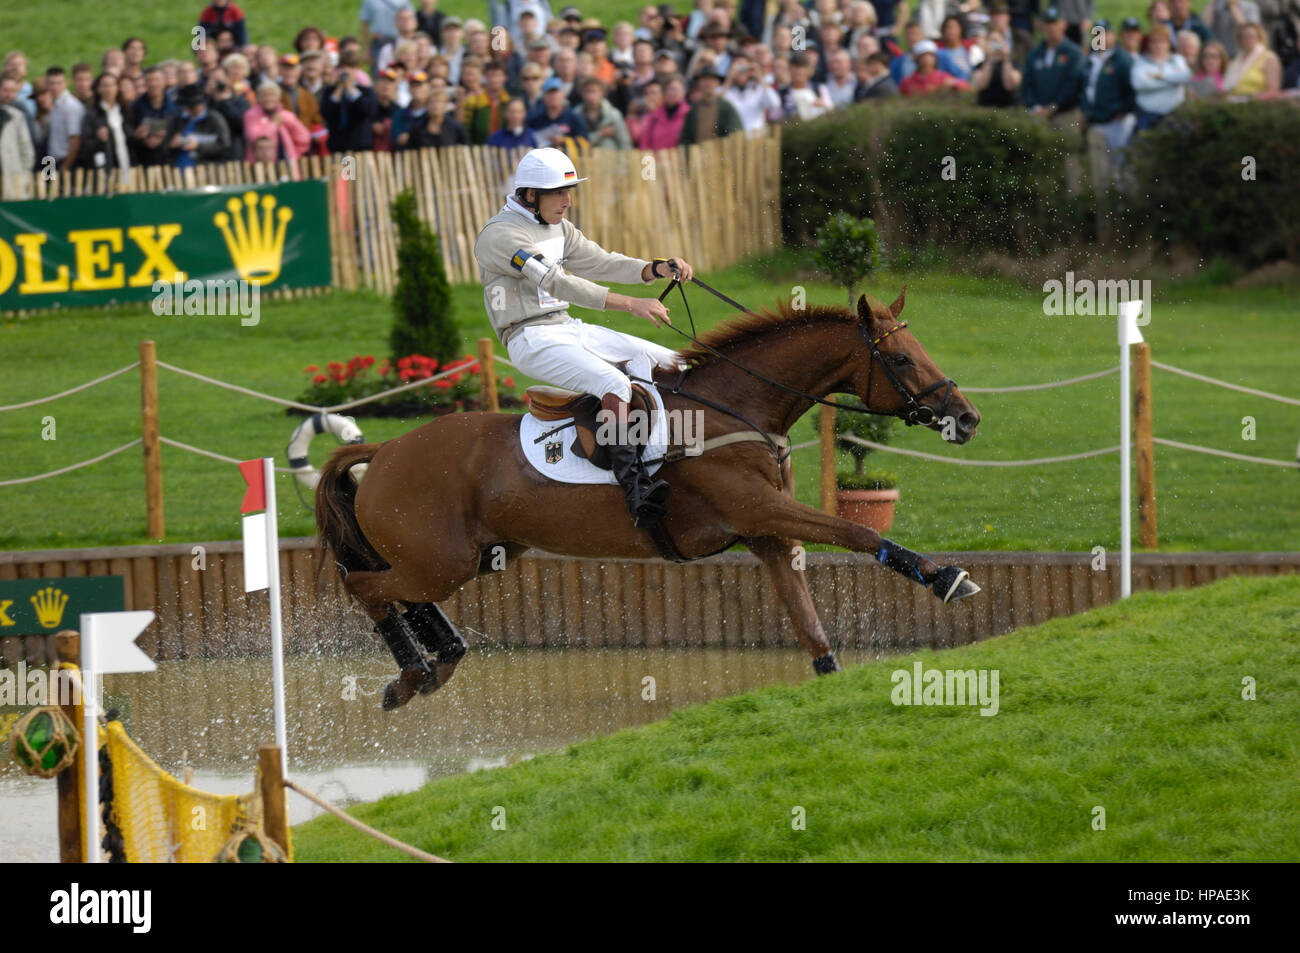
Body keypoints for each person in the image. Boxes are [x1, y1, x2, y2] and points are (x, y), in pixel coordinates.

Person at [473, 147, 696, 528]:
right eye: (559, 193)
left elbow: (600, 261)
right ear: (530, 195)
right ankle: (635, 490)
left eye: (570, 191)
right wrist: (629, 304)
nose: (568, 201)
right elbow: (555, 280)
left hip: (567, 328)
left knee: (674, 362)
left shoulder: (557, 227)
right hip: (531, 339)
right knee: (613, 381)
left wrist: (654, 268)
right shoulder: (500, 236)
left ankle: (686, 454)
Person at [1021, 7, 1086, 117]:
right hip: (1037, 111)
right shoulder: (1034, 54)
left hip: (1065, 112)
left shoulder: (1074, 53)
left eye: (1055, 23)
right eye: (1048, 23)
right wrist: (1035, 106)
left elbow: (1072, 85)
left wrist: (1053, 107)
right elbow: (1027, 83)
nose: (1052, 27)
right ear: (1043, 26)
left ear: (1064, 25)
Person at [1131, 25, 1192, 129]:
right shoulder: (1140, 62)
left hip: (1174, 115)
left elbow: (1186, 76)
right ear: (1149, 44)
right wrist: (1174, 80)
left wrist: (1160, 76)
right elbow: (1139, 84)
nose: (1158, 45)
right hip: (1148, 116)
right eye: (1154, 41)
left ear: (1168, 43)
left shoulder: (1177, 60)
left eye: (1162, 41)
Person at [243, 80, 310, 168]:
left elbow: (304, 137)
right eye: (264, 95)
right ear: (258, 98)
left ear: (278, 98)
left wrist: (293, 152)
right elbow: (255, 138)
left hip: (285, 163)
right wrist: (273, 124)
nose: (268, 98)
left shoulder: (286, 116)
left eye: (271, 95)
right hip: (260, 165)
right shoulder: (251, 115)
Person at [78, 73, 133, 173]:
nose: (109, 89)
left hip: (129, 165)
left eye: (112, 85)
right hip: (105, 169)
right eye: (105, 85)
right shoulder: (92, 115)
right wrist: (99, 139)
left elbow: (132, 139)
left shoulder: (125, 111)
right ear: (98, 89)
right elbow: (85, 147)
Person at [169, 82, 232, 167]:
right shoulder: (178, 118)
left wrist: (198, 146)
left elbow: (224, 145)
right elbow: (165, 147)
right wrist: (171, 144)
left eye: (193, 106)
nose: (189, 109)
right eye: (187, 106)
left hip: (204, 168)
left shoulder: (214, 118)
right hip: (180, 167)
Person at [323, 59, 379, 151]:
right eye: (342, 68)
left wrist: (350, 89)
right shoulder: (330, 91)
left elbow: (369, 110)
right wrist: (340, 88)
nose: (346, 71)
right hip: (337, 146)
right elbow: (326, 112)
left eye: (350, 68)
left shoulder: (366, 91)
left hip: (360, 146)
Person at [680, 68, 743, 142]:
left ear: (718, 83)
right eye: (704, 80)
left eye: (711, 80)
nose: (708, 83)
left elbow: (735, 133)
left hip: (721, 151)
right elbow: (685, 138)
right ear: (698, 83)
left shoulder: (726, 108)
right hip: (698, 152)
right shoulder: (693, 109)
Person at [45, 66, 85, 172]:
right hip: (50, 161)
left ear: (66, 83)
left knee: (63, 188)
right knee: (48, 188)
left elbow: (75, 139)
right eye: (51, 83)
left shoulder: (71, 106)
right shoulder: (53, 104)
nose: (54, 87)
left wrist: (65, 167)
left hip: (65, 163)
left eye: (58, 83)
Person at [527, 75, 588, 146]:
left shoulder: (574, 118)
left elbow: (585, 143)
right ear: (543, 96)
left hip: (569, 156)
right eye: (549, 92)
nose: (553, 96)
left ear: (563, 95)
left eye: (556, 92)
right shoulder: (535, 120)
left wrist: (564, 141)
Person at [0, 72, 36, 190]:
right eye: (5, 90)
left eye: (13, 91)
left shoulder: (18, 116)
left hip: (11, 180)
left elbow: (26, 151)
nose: (9, 94)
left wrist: (23, 178)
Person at [972, 28, 1022, 106]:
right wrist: (990, 60)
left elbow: (1010, 85)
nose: (995, 45)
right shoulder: (980, 65)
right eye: (991, 41)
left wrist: (1006, 58)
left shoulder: (1014, 64)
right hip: (985, 108)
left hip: (1008, 108)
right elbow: (982, 84)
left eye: (998, 41)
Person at [577, 76, 631, 148]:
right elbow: (577, 142)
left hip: (609, 157)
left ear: (602, 93)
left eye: (593, 91)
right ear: (582, 94)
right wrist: (600, 134)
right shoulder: (576, 114)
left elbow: (625, 142)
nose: (590, 96)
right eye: (587, 91)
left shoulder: (613, 115)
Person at [900, 39, 971, 94]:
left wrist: (954, 83)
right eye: (923, 56)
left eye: (930, 56)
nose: (926, 59)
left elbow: (966, 86)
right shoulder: (907, 82)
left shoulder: (943, 78)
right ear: (917, 59)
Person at [636, 74, 689, 147]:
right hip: (657, 157)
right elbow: (645, 143)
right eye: (667, 89)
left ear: (684, 91)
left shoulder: (689, 114)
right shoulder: (654, 116)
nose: (670, 93)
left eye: (674, 89)